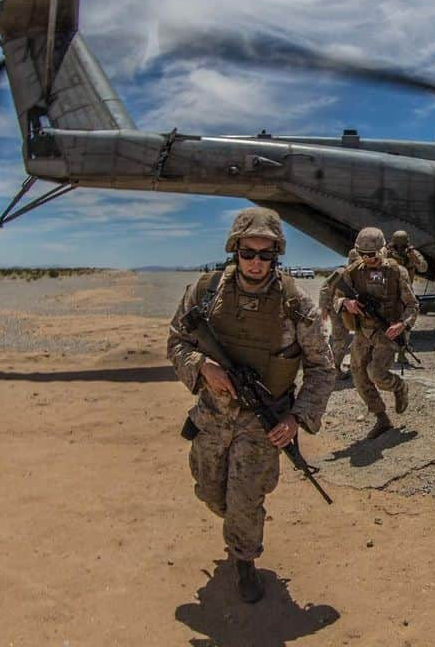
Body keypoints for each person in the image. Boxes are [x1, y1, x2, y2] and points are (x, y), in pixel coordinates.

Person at [167, 207, 335, 603]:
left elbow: (323, 368)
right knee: (211, 491)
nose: (256, 263)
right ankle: (239, 527)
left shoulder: (296, 305)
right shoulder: (206, 291)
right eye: (248, 253)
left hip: (262, 423)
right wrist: (202, 366)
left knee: (245, 497)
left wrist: (297, 418)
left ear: (276, 256)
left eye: (266, 255)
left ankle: (244, 559)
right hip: (213, 415)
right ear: (234, 251)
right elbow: (176, 341)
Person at [334, 227, 418, 439]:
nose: (367, 258)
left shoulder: (397, 272)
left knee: (377, 374)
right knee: (359, 375)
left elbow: (412, 306)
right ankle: (382, 418)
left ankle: (400, 387)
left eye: (371, 254)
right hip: (363, 332)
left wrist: (402, 325)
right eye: (362, 254)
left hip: (387, 332)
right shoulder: (352, 272)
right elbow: (337, 297)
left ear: (382, 250)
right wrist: (346, 302)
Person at [382, 230, 428, 365]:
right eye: (399, 245)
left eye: (403, 245)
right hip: (388, 292)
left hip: (406, 293)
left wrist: (413, 254)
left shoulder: (412, 253)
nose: (401, 248)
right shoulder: (387, 253)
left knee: (405, 324)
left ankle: (402, 352)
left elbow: (423, 268)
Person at [318, 262, 353, 380]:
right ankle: (334, 369)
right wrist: (324, 307)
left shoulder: (364, 272)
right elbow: (326, 286)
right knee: (340, 339)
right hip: (337, 309)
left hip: (353, 308)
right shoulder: (341, 271)